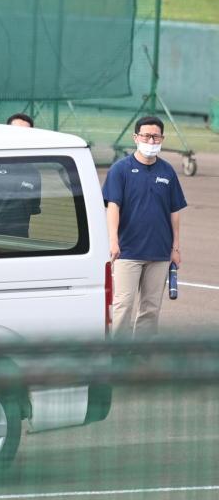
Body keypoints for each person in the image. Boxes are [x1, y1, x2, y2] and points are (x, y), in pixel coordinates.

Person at [103, 116, 187, 338]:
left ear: (162, 138)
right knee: (124, 305)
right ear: (136, 137)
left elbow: (174, 211)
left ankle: (142, 356)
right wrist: (113, 241)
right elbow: (113, 207)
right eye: (146, 135)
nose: (151, 140)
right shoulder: (120, 170)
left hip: (159, 252)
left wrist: (175, 248)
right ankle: (118, 356)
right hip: (127, 251)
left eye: (155, 136)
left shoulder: (167, 172)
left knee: (150, 309)